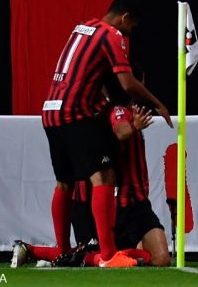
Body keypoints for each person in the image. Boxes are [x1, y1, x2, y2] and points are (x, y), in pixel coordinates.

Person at [41, 0, 172, 268]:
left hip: (50, 110)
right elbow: (126, 83)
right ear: (125, 18)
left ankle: (63, 251)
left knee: (64, 181)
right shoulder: (111, 35)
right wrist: (158, 103)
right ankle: (109, 256)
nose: (130, 32)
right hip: (75, 112)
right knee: (104, 175)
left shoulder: (81, 27)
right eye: (132, 26)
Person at [11, 102, 169, 267]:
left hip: (137, 204)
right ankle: (39, 251)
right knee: (106, 255)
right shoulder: (116, 109)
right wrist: (136, 124)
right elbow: (120, 131)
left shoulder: (121, 109)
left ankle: (57, 254)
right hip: (114, 203)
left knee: (160, 258)